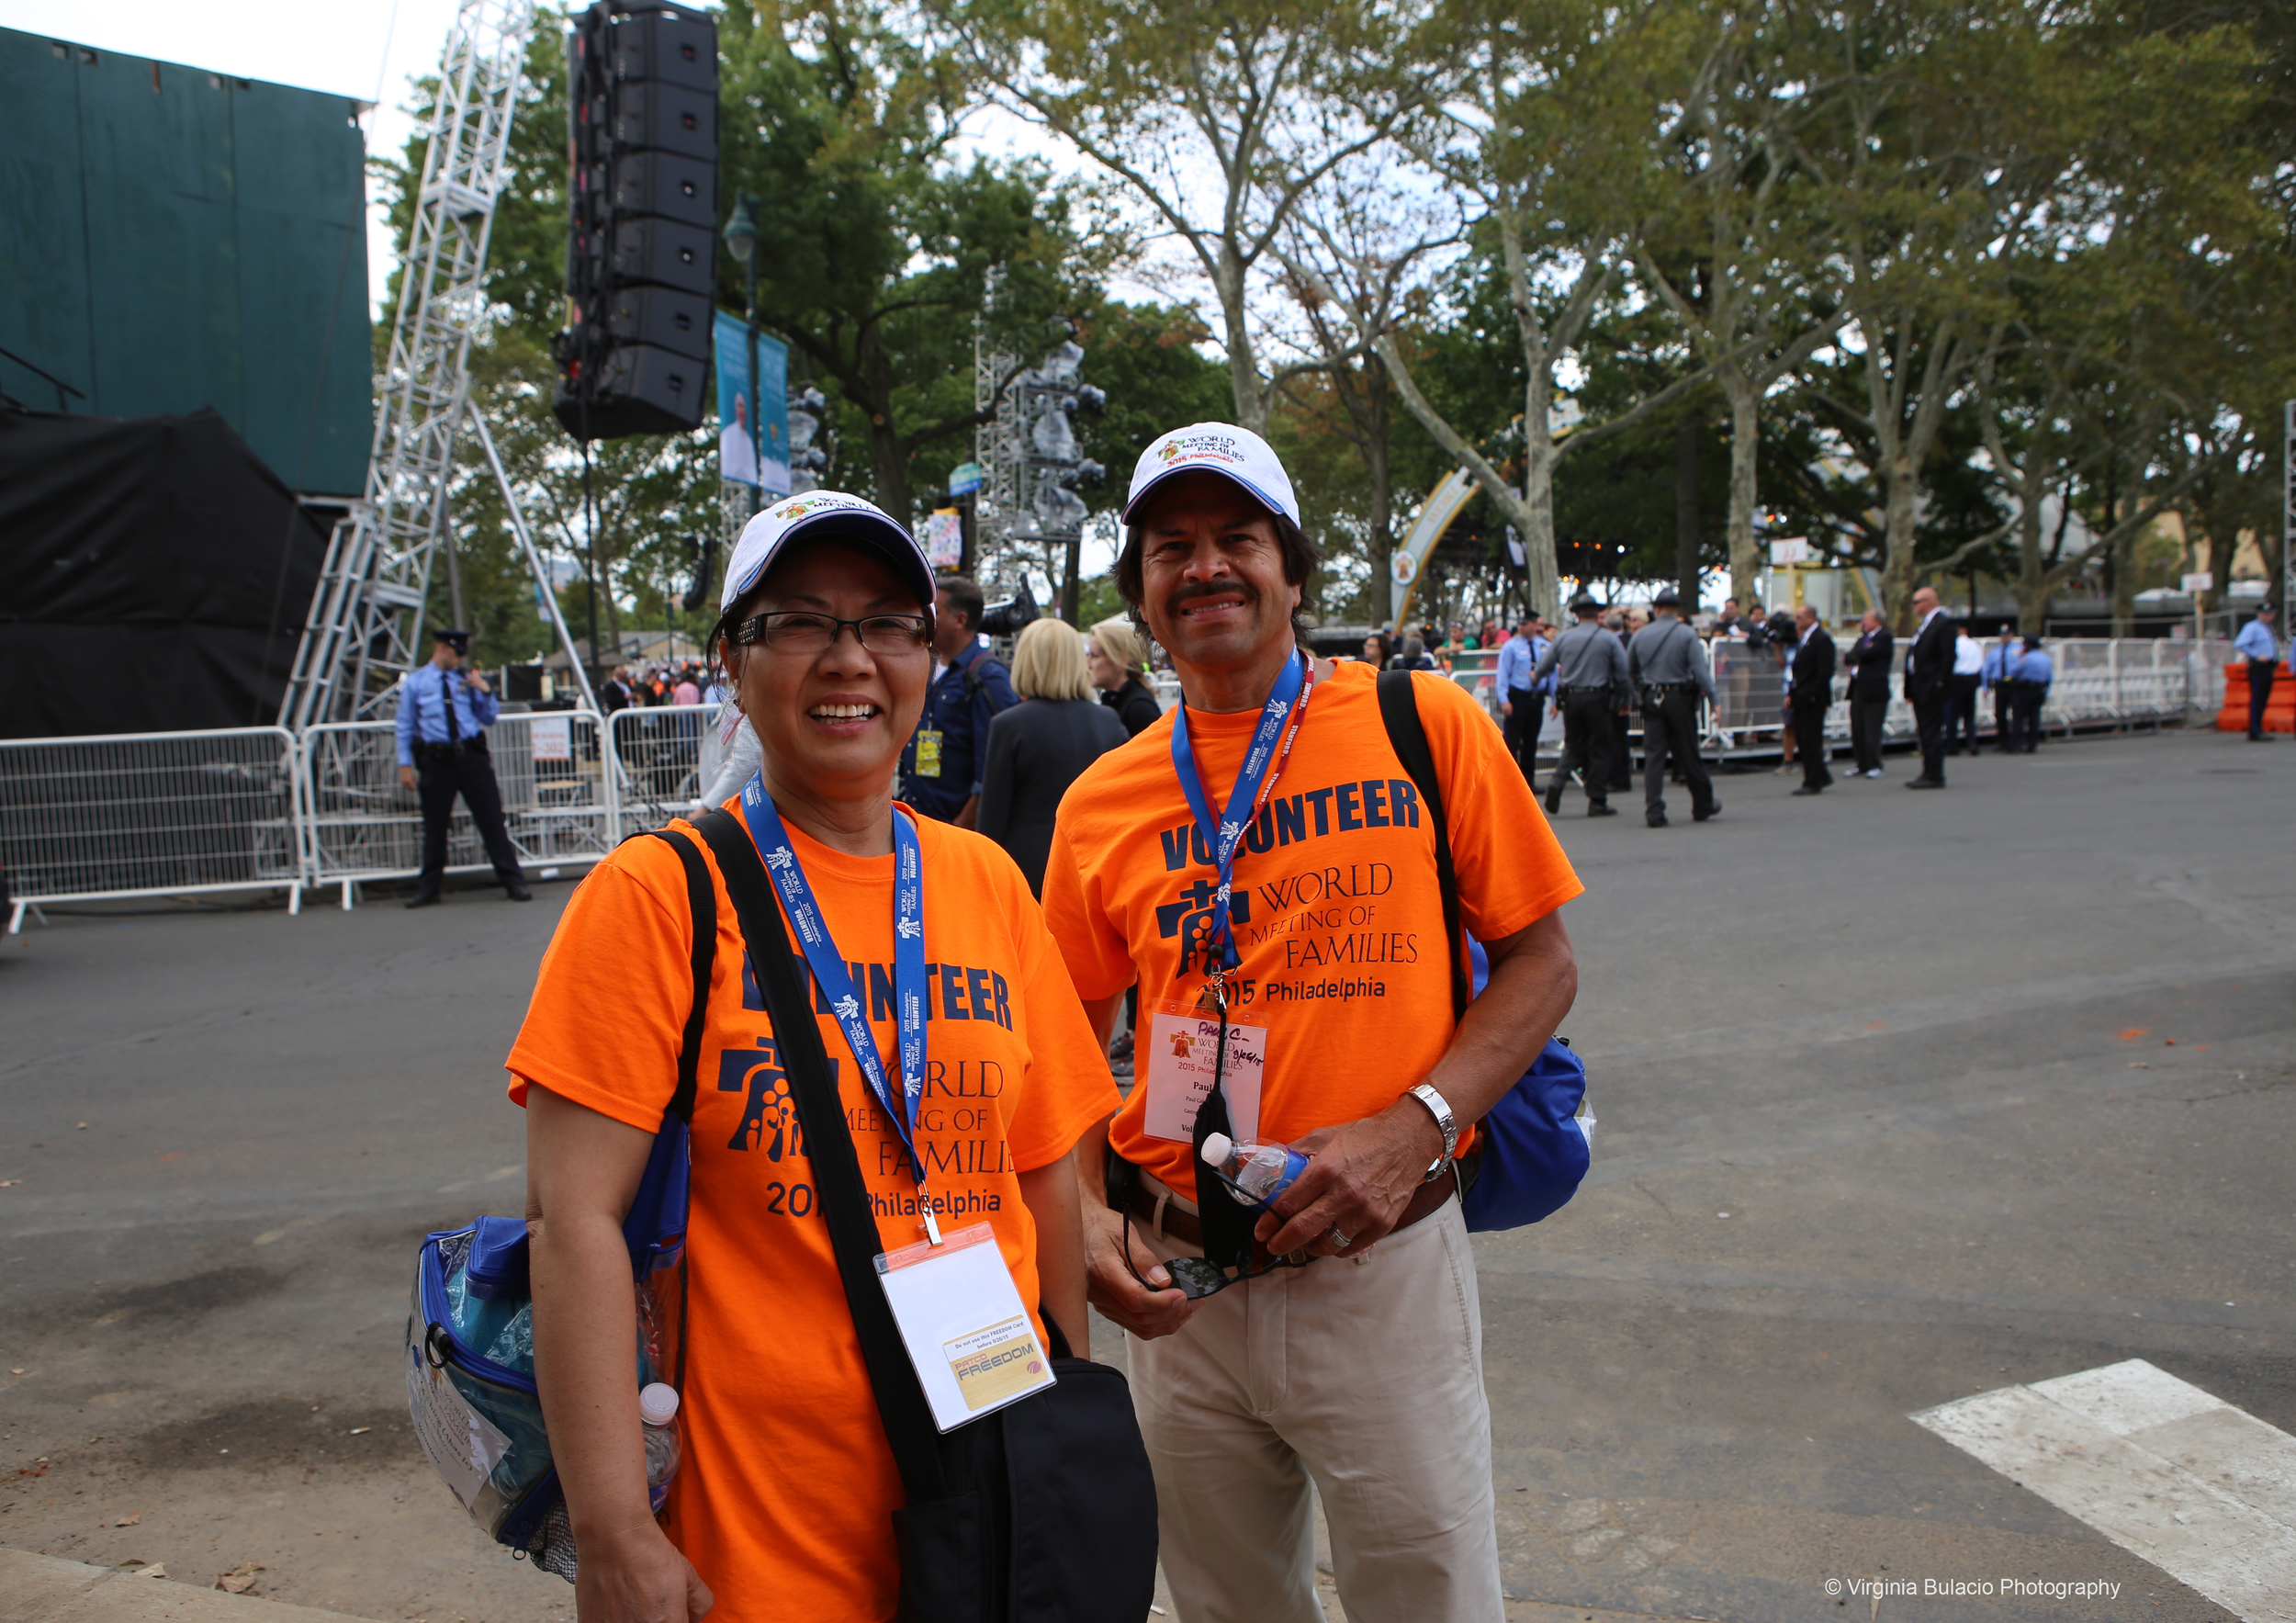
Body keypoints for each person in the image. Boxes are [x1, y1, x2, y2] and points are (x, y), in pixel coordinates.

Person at [512, 489, 1120, 1623]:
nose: (850, 659)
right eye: (800, 622)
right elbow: (572, 1222)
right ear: (734, 666)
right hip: (759, 1536)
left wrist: (1063, 1438)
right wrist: (612, 1531)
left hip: (989, 1498)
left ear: (925, 660)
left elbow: (1039, 1176)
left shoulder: (984, 881)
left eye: (887, 623)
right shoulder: (656, 896)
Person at [1041, 421, 1582, 1623]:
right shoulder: (1101, 799)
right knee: (1230, 1603)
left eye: (1238, 537)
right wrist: (1079, 1210)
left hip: (1377, 1263)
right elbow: (1066, 1035)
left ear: (1291, 569)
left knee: (1428, 1595)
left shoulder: (1423, 723)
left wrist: (1420, 1123)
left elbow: (1542, 963)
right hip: (1176, 1282)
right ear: (1140, 590)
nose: (1206, 567)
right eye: (1170, 546)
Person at [978, 618, 1130, 896]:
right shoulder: (1108, 721)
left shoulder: (1009, 725)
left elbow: (992, 820)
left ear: (1026, 660)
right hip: (1092, 864)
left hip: (1025, 871)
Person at [395, 628, 530, 907]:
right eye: (457, 652)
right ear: (442, 647)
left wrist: (485, 690)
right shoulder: (417, 683)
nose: (460, 659)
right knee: (435, 826)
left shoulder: (466, 681)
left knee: (492, 819)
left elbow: (489, 717)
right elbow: (405, 725)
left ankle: (513, 880)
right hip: (436, 760)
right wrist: (404, 764)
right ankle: (429, 888)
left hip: (471, 757)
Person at [899, 573, 1019, 828]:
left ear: (960, 620)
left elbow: (993, 767)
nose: (925, 619)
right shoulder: (928, 666)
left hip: (956, 829)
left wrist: (963, 823)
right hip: (922, 821)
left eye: (935, 612)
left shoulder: (987, 676)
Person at [1627, 587, 1717, 826]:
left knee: (1654, 755)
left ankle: (1654, 810)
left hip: (1652, 698)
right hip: (1679, 698)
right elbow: (1700, 672)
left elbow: (1631, 670)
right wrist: (1713, 700)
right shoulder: (1686, 634)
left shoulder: (1640, 635)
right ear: (1677, 610)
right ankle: (1702, 804)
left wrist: (1640, 690)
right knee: (1688, 752)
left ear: (1656, 610)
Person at [1536, 594, 1629, 818]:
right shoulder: (1608, 639)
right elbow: (1622, 672)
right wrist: (1626, 698)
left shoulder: (1564, 638)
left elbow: (1545, 666)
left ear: (1577, 614)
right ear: (1597, 614)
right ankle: (1597, 800)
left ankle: (1557, 781)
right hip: (1598, 698)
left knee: (1573, 745)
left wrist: (1535, 678)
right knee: (1599, 747)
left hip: (1571, 698)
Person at [1903, 586, 1953, 788]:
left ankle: (1934, 774)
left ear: (1930, 601)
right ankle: (1928, 770)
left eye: (1917, 602)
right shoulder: (1924, 626)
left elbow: (1948, 657)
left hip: (1931, 686)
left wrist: (1939, 682)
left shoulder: (1943, 624)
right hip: (1919, 685)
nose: (1914, 606)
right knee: (1924, 730)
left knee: (1931, 730)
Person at [1494, 611, 1550, 787]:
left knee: (1531, 741)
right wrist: (1504, 699)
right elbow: (1503, 674)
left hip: (1536, 698)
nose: (1521, 627)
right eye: (1520, 624)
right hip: (1517, 698)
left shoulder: (1543, 646)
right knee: (1512, 741)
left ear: (1535, 625)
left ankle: (1529, 782)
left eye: (1525, 624)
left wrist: (1554, 698)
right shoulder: (1511, 646)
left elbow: (1551, 672)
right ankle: (1510, 783)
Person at [1786, 604, 1837, 795]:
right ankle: (1820, 774)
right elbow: (1798, 670)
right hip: (1801, 695)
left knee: (1811, 739)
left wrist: (1811, 693)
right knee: (1803, 737)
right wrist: (1792, 693)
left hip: (1813, 698)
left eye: (1799, 617)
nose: (1796, 622)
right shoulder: (1806, 639)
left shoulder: (1822, 639)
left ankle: (1812, 781)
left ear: (1810, 617)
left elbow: (1825, 671)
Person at [1089, 614, 1165, 738]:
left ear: (1120, 662)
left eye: (1095, 656)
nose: (1088, 664)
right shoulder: (1116, 700)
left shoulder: (1139, 708)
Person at [1842, 609, 1893, 779]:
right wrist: (1856, 656)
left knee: (1872, 729)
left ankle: (1874, 764)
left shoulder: (1884, 637)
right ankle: (1861, 763)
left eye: (1866, 619)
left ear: (1877, 621)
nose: (1863, 622)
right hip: (1858, 687)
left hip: (1874, 689)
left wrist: (1858, 655)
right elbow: (1849, 656)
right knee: (1857, 727)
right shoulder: (1863, 638)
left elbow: (1868, 654)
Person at [2234, 605, 2280, 740]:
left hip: (2268, 666)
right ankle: (2254, 731)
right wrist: (2256, 655)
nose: (2267, 616)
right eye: (2264, 614)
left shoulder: (2267, 628)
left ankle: (2258, 728)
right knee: (2257, 699)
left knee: (2263, 699)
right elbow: (2240, 644)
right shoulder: (2252, 627)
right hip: (2259, 666)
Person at [2009, 635, 2053, 751]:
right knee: (2034, 718)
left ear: (2028, 645)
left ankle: (2016, 744)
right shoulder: (2046, 658)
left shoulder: (2026, 658)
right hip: (2040, 689)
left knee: (2019, 717)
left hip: (2025, 689)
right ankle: (2032, 745)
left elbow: (2014, 672)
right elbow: (2049, 677)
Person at [1982, 627, 2021, 751]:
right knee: (2000, 714)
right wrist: (1985, 686)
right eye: (2002, 635)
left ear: (2012, 635)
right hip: (2000, 685)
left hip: (2015, 684)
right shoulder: (1994, 652)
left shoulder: (2019, 650)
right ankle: (2003, 741)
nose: (2004, 637)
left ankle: (2016, 742)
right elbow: (1986, 669)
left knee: (2017, 714)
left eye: (2007, 635)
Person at [1947, 624, 1985, 754]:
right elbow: (1980, 663)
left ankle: (1952, 746)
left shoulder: (1955, 644)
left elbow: (1951, 661)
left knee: (1953, 715)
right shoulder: (1975, 645)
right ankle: (1972, 743)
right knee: (1969, 715)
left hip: (1957, 679)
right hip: (1972, 679)